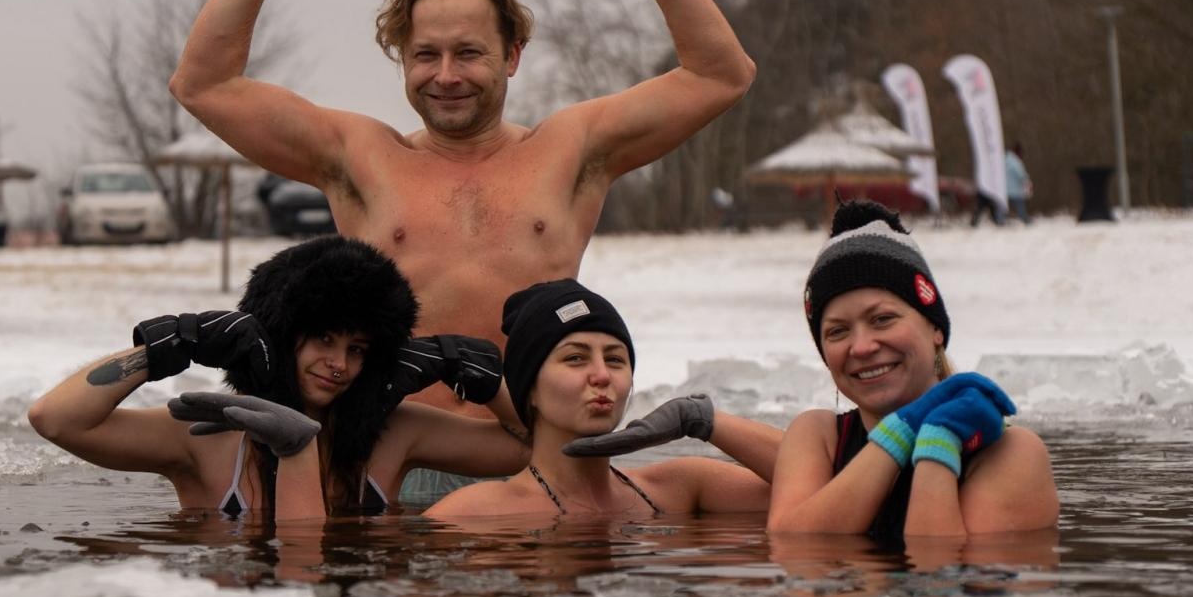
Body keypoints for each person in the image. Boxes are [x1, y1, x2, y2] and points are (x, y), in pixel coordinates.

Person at [168, 0, 757, 412]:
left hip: (526, 462)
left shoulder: (572, 149)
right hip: (392, 456)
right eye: (426, 55)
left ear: (512, 56)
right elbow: (204, 85)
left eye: (469, 54)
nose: (446, 76)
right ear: (403, 59)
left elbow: (719, 75)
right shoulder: (360, 157)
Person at [27, 237, 527, 520]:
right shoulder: (207, 438)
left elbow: (528, 449)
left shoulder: (395, 432)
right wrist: (170, 345)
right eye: (325, 341)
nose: (340, 365)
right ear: (282, 334)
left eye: (358, 350)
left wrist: (481, 381)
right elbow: (56, 419)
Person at [766, 201, 1057, 539]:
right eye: (837, 331)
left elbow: (936, 574)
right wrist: (900, 434)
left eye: (882, 319)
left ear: (935, 328)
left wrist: (938, 442)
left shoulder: (1012, 453)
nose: (861, 347)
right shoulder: (818, 436)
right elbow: (794, 545)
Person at [424, 280, 770, 521]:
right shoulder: (472, 514)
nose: (602, 375)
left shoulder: (681, 488)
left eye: (616, 359)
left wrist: (701, 419)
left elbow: (817, 488)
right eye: (575, 358)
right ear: (529, 388)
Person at [1005, 142, 1033, 224]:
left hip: (1004, 190)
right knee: (1020, 207)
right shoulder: (1016, 162)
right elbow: (1021, 175)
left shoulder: (1004, 159)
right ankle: (1026, 221)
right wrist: (1027, 182)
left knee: (1002, 207)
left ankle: (1000, 221)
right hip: (1014, 190)